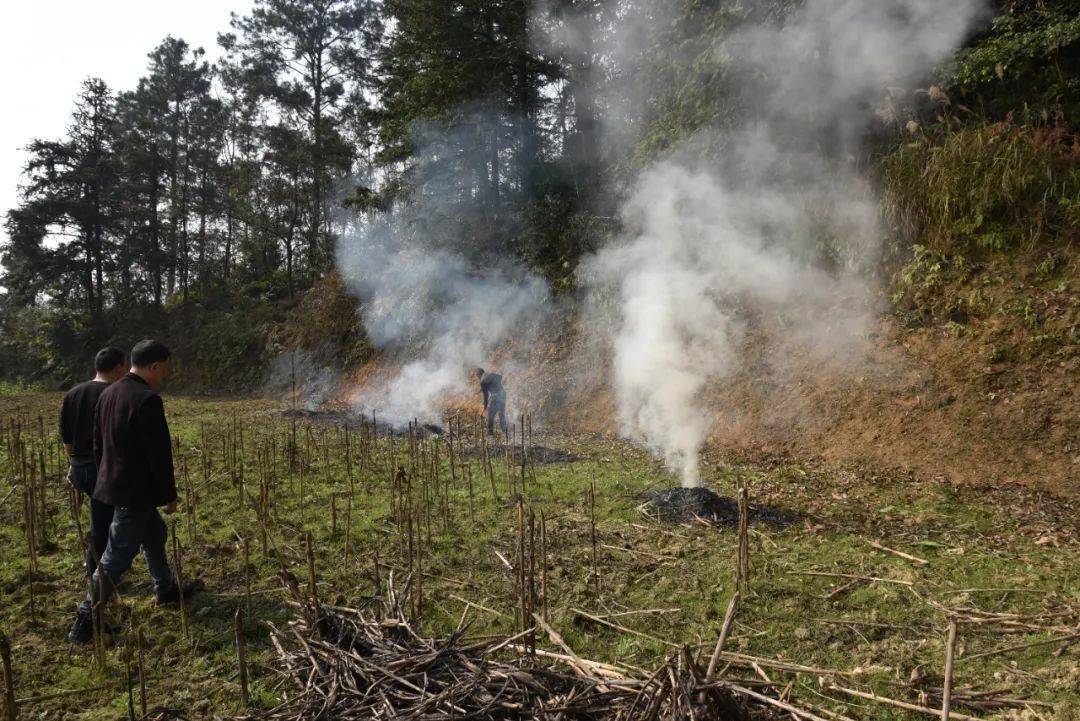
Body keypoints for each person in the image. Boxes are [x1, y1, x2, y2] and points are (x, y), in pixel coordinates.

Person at [68, 340, 192, 644]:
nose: (164, 375)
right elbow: (159, 455)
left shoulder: (109, 393)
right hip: (134, 491)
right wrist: (170, 495)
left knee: (154, 534)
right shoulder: (146, 399)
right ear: (154, 366)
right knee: (116, 556)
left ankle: (165, 588)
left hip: (113, 484)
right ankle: (85, 619)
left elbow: (97, 443)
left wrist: (106, 478)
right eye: (164, 369)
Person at [60, 346, 128, 579]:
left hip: (80, 468)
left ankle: (108, 568)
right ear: (119, 366)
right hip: (102, 468)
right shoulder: (114, 394)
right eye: (125, 365)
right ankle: (96, 574)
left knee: (107, 518)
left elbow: (67, 437)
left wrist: (72, 464)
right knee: (103, 523)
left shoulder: (73, 393)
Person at [476, 367, 508, 436]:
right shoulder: (489, 374)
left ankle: (490, 432)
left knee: (490, 414)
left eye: (477, 375)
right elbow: (500, 377)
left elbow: (486, 395)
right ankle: (504, 430)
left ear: (479, 374)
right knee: (501, 413)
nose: (477, 377)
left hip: (496, 397)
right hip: (503, 394)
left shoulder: (483, 381)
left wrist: (485, 405)